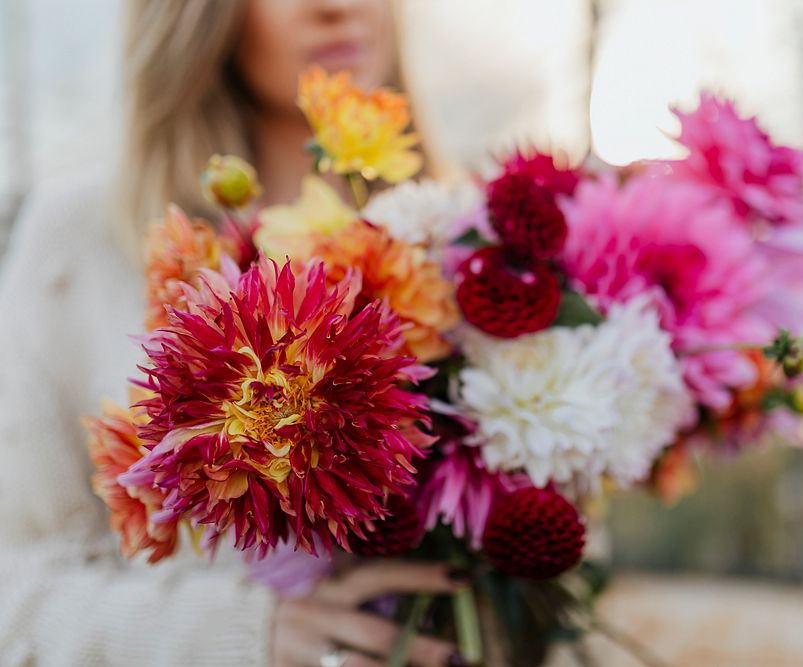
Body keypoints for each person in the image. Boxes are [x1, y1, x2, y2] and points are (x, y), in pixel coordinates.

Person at [0, 2, 468, 666]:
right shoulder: (74, 243)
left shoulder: (469, 243)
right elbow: (13, 594)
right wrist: (242, 631)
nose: (336, 7)